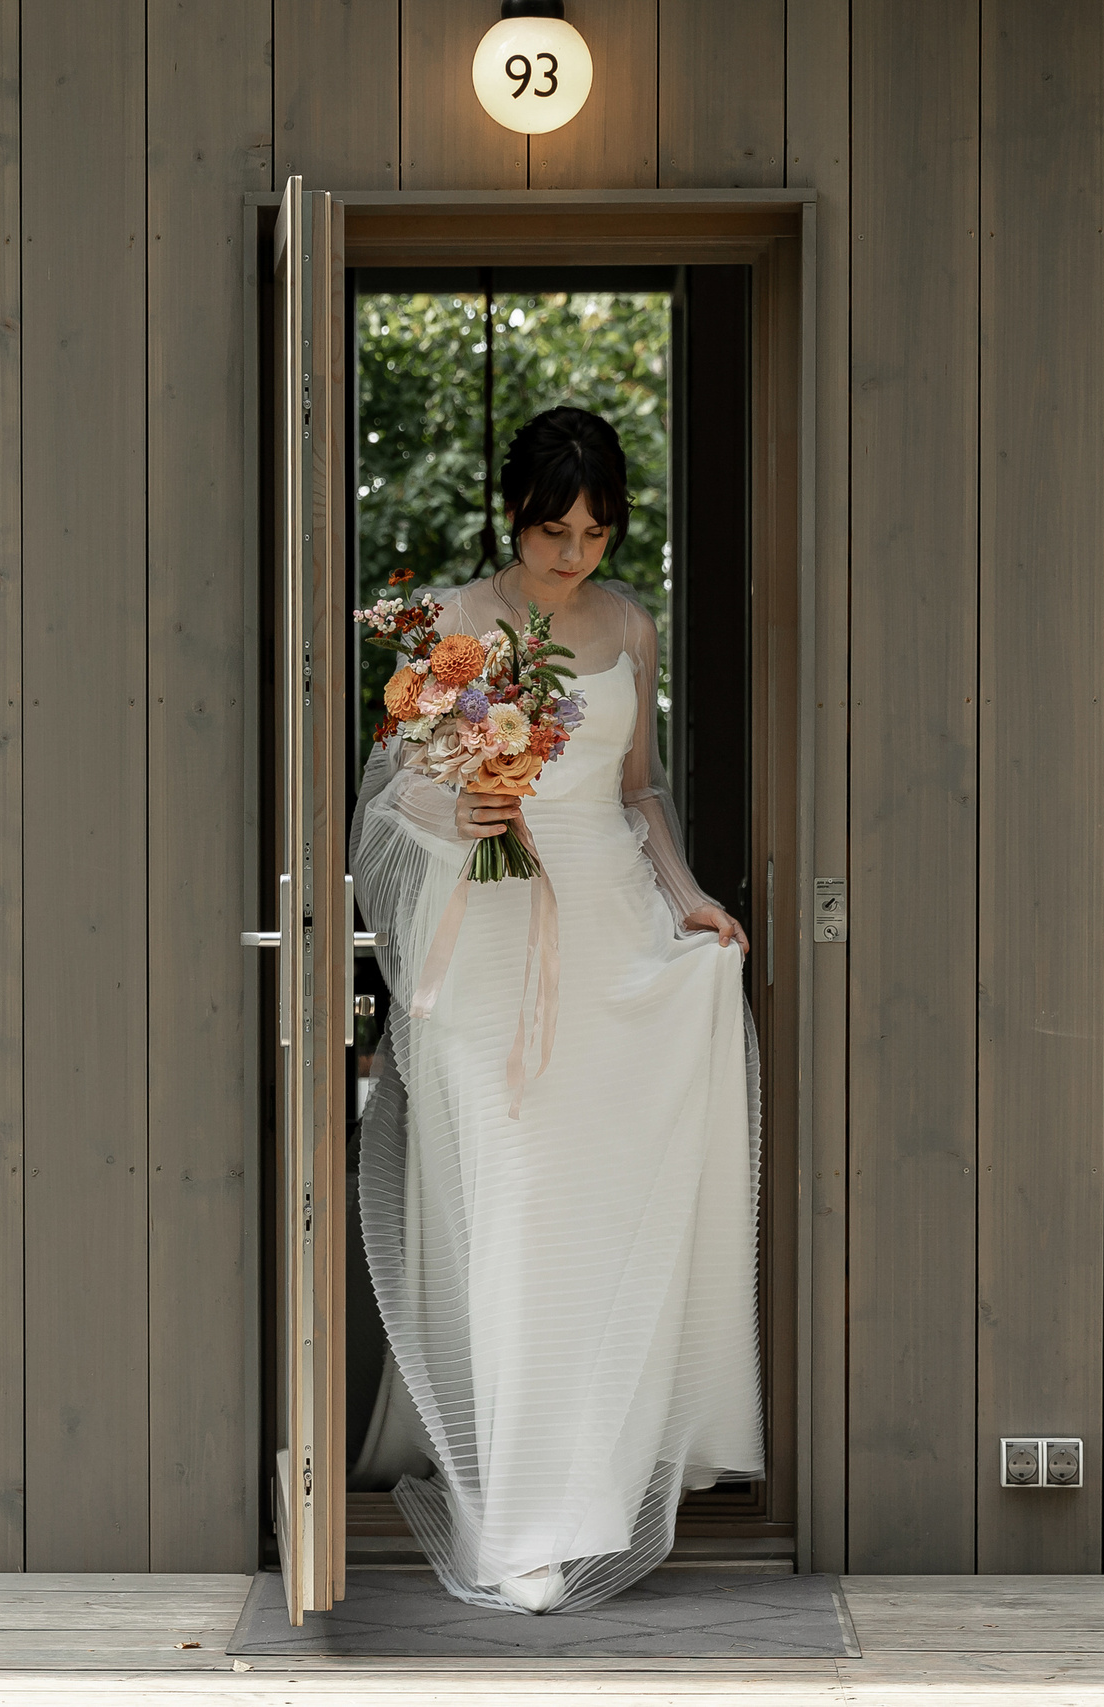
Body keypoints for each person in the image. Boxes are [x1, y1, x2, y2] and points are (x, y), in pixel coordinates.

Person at [348, 406, 763, 1616]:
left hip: (609, 928)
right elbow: (390, 798)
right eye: (551, 531)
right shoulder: (452, 626)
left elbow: (639, 794)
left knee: (599, 1205)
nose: (573, 554)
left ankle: (601, 1479)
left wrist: (689, 900)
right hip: (486, 944)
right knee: (516, 1210)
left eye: (593, 532)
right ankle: (517, 1509)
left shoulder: (630, 621)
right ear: (511, 516)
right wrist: (457, 815)